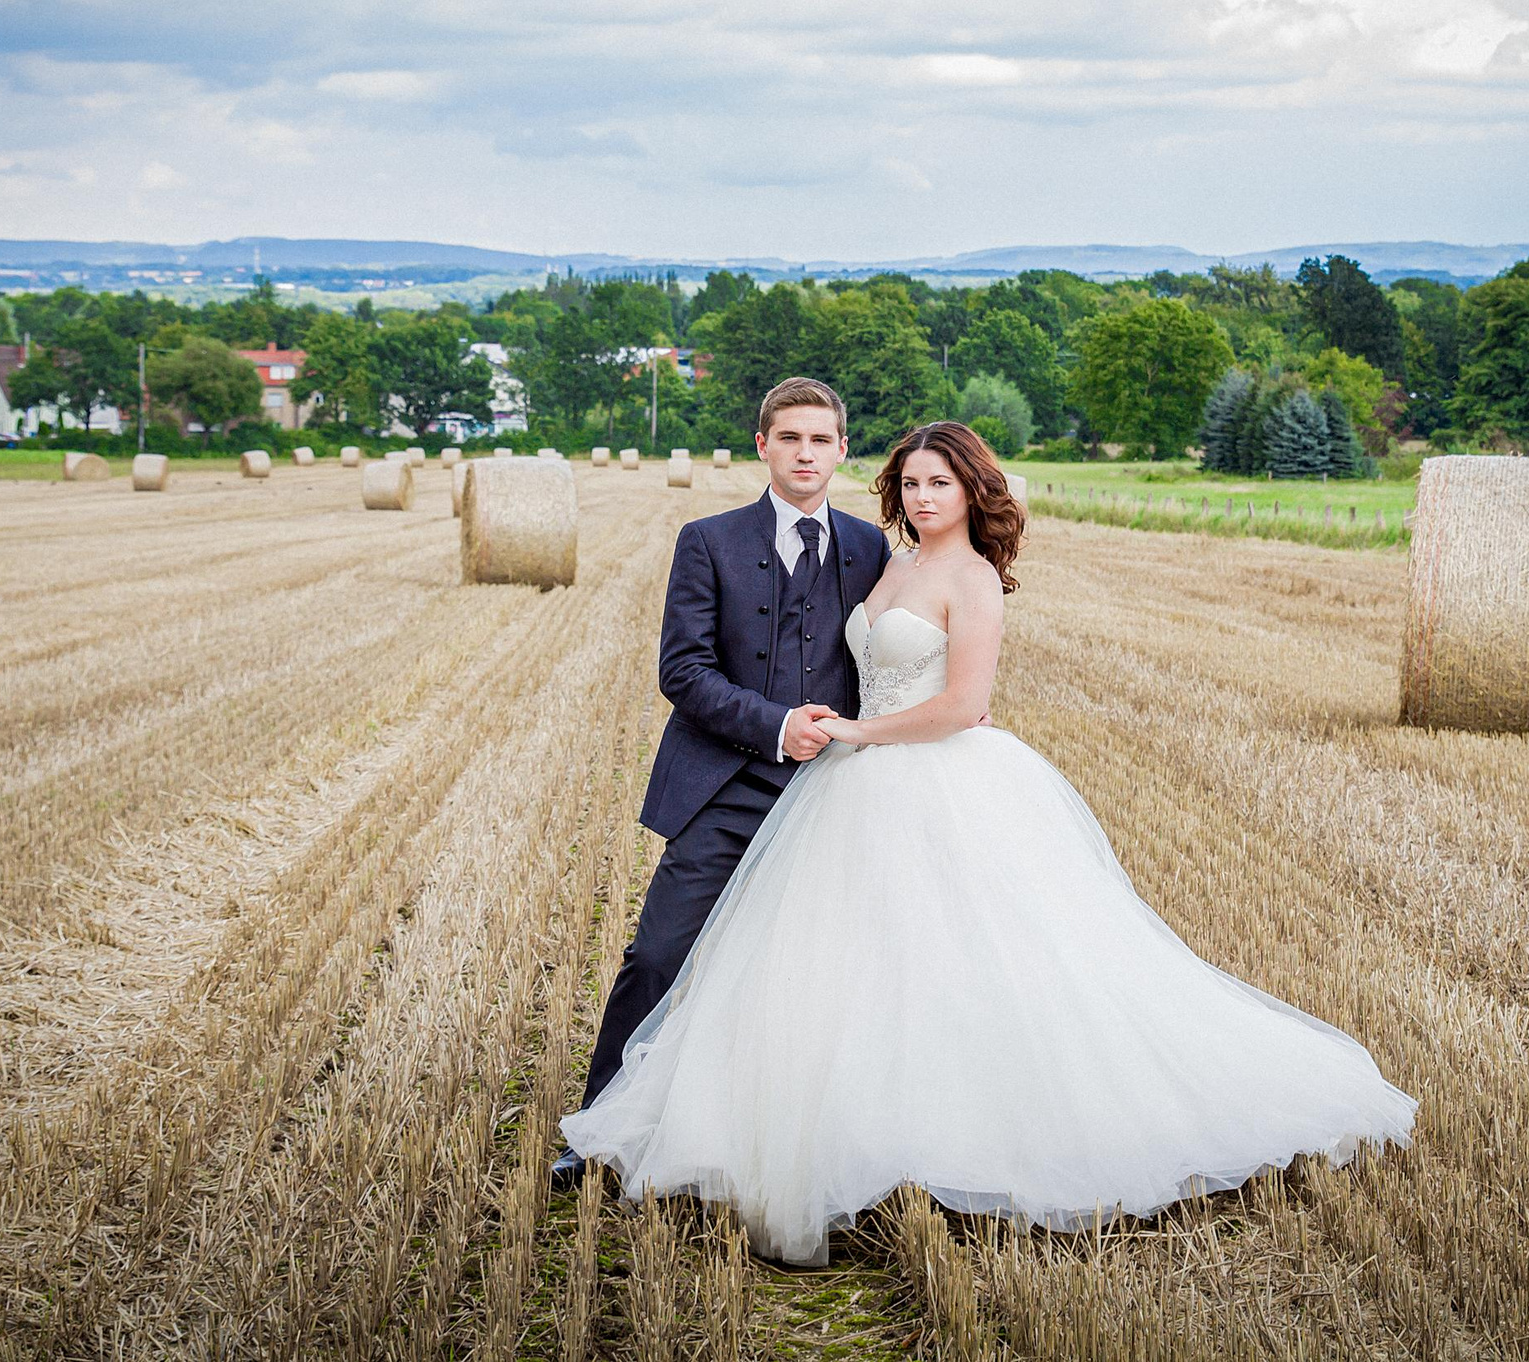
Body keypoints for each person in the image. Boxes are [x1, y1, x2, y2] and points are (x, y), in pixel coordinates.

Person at [561, 420, 1417, 1264]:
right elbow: (708, 668)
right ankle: (631, 1127)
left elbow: (964, 702)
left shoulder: (944, 569)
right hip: (803, 780)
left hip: (900, 774)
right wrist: (820, 727)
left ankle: (941, 1141)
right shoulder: (871, 557)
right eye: (911, 483)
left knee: (947, 968)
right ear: (766, 446)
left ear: (971, 489)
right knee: (762, 964)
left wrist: (863, 731)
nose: (922, 496)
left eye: (940, 482)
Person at [551, 376, 890, 1191]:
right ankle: (598, 1133)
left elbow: (889, 661)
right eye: (790, 438)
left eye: (821, 440)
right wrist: (775, 726)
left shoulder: (871, 548)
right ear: (762, 446)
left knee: (821, 974)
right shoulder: (706, 541)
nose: (805, 453)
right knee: (658, 955)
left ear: (842, 450)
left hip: (830, 794)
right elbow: (683, 670)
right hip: (725, 787)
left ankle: (800, 1140)